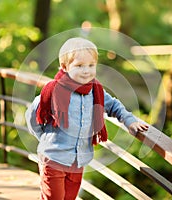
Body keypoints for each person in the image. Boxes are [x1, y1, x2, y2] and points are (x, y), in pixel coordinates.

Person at [25, 37, 149, 200]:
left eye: (91, 65)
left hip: (79, 161)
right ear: (65, 67)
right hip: (53, 159)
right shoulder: (53, 91)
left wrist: (130, 121)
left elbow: (114, 106)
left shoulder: (96, 91)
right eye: (79, 66)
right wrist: (45, 139)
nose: (86, 71)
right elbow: (33, 116)